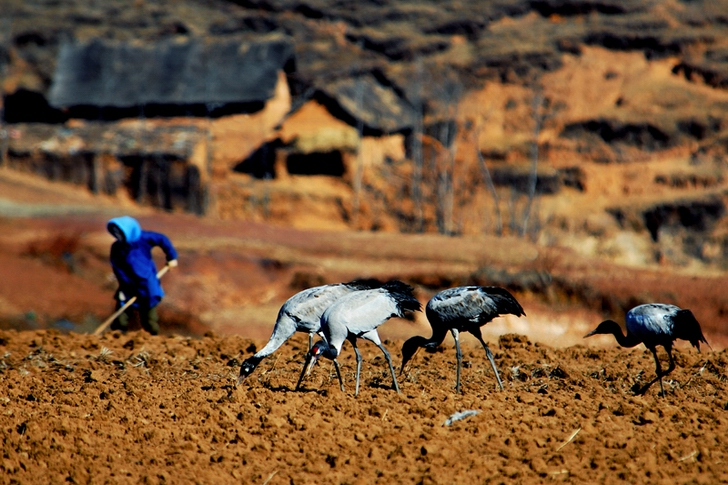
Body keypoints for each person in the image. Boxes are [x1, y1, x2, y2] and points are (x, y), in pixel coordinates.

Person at [107, 216, 178, 335]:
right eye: (115, 232)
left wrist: (171, 257)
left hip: (147, 284)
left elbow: (162, 239)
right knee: (121, 316)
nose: (117, 235)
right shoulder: (117, 248)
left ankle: (153, 338)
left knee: (149, 319)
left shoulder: (143, 238)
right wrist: (123, 285)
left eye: (119, 232)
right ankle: (116, 336)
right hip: (128, 285)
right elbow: (117, 267)